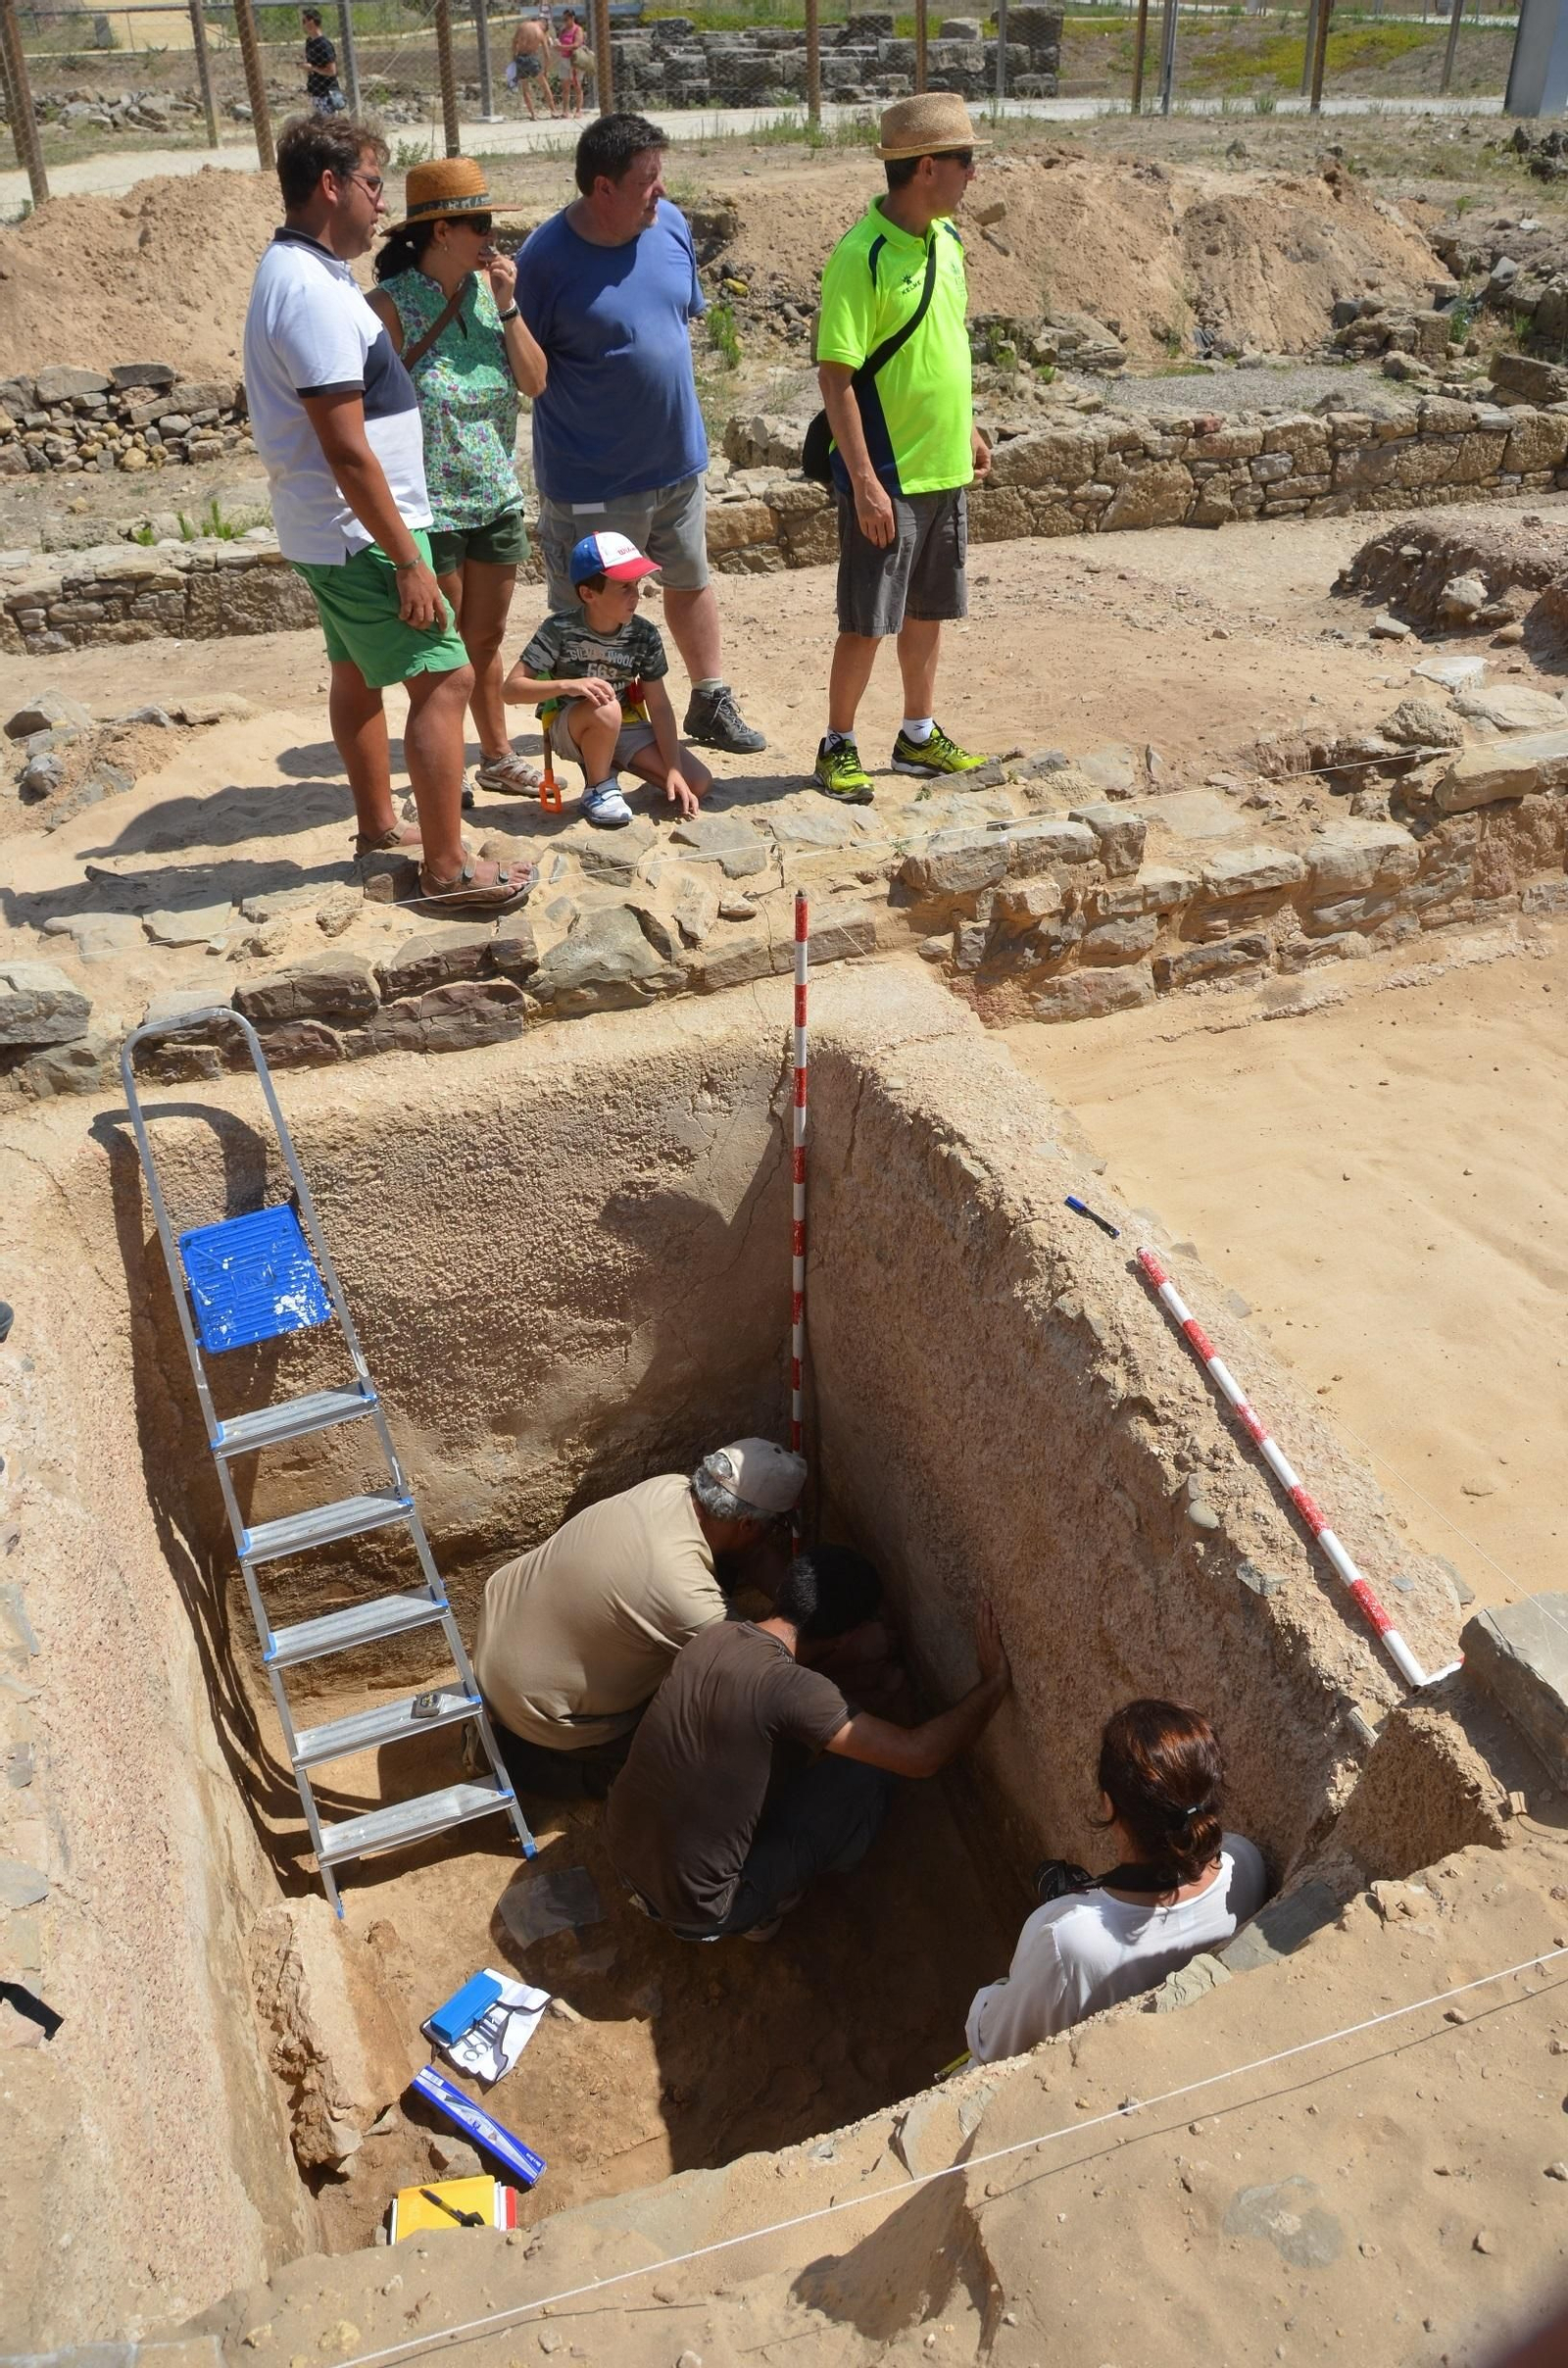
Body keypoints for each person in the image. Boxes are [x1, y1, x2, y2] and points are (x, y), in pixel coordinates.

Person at [242, 114, 531, 913]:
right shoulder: (310, 291)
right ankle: (446, 869)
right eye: (372, 184)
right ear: (330, 185)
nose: (381, 202)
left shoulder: (308, 272)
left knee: (355, 671)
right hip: (359, 533)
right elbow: (345, 447)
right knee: (446, 676)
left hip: (336, 529)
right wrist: (407, 557)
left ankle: (378, 824)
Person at [514, 112, 766, 760]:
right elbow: (526, 369)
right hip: (594, 477)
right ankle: (593, 731)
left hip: (676, 462)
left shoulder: (670, 225)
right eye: (647, 179)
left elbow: (670, 325)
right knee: (592, 612)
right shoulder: (544, 260)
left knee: (691, 580)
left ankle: (710, 698)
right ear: (603, 187)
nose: (662, 190)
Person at [607, 1548, 1011, 1942]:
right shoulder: (793, 1690)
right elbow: (920, 1756)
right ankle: (761, 1908)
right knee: (869, 1773)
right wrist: (992, 1684)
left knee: (777, 1742)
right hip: (700, 1908)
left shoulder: (715, 1636)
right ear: (846, 1635)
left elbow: (786, 1689)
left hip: (623, 1852)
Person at [811, 92, 994, 808]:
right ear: (926, 167)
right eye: (964, 159)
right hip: (887, 471)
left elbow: (945, 342)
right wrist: (863, 480)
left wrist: (967, 425)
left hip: (944, 463)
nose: (972, 173)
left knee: (928, 611)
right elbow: (837, 377)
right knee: (867, 620)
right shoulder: (862, 255)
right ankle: (837, 745)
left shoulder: (947, 241)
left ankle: (918, 734)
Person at [472, 1439, 807, 1799]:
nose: (773, 1534)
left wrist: (803, 1602)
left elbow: (751, 1554)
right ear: (747, 1524)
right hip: (533, 1707)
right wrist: (827, 1642)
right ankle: (519, 1760)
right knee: (692, 1758)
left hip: (498, 1639)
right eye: (776, 1525)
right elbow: (763, 1664)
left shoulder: (669, 1488)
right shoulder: (687, 1597)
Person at [368, 159, 548, 805]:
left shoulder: (488, 297)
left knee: (486, 638)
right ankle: (439, 774)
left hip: (494, 498)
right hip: (430, 507)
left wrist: (510, 306)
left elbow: (535, 382)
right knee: (441, 652)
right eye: (480, 224)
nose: (491, 237)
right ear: (440, 231)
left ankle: (497, 757)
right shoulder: (388, 307)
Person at [964, 1700, 1269, 2063]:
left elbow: (992, 2045)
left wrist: (1019, 1979)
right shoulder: (1245, 1862)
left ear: (1108, 1804)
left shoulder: (1067, 1940)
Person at [504, 530, 710, 830]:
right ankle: (598, 788)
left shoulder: (644, 634)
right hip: (571, 727)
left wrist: (674, 769)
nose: (636, 595)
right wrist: (569, 685)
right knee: (606, 708)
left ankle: (609, 762)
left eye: (636, 584)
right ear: (589, 594)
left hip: (623, 725)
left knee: (698, 783)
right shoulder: (559, 629)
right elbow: (510, 690)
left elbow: (659, 705)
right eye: (624, 586)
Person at [506, 6, 560, 119]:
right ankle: (553, 111)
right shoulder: (540, 33)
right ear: (544, 26)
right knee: (544, 85)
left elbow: (514, 42)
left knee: (525, 88)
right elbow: (547, 54)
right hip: (531, 59)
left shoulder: (522, 26)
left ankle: (533, 114)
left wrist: (514, 58)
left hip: (520, 58)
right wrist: (546, 70)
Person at [301, 8, 345, 115]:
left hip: (326, 93)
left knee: (329, 122)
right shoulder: (309, 42)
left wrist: (312, 68)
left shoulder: (324, 45)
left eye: (304, 21)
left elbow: (332, 71)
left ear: (311, 22)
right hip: (315, 91)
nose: (303, 25)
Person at [555, 8, 589, 115]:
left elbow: (577, 44)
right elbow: (560, 42)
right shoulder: (563, 30)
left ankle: (578, 110)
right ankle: (565, 111)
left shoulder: (578, 29)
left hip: (574, 60)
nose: (564, 21)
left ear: (572, 18)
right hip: (564, 59)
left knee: (577, 85)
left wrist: (562, 47)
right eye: (563, 19)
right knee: (565, 87)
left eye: (566, 19)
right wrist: (556, 45)